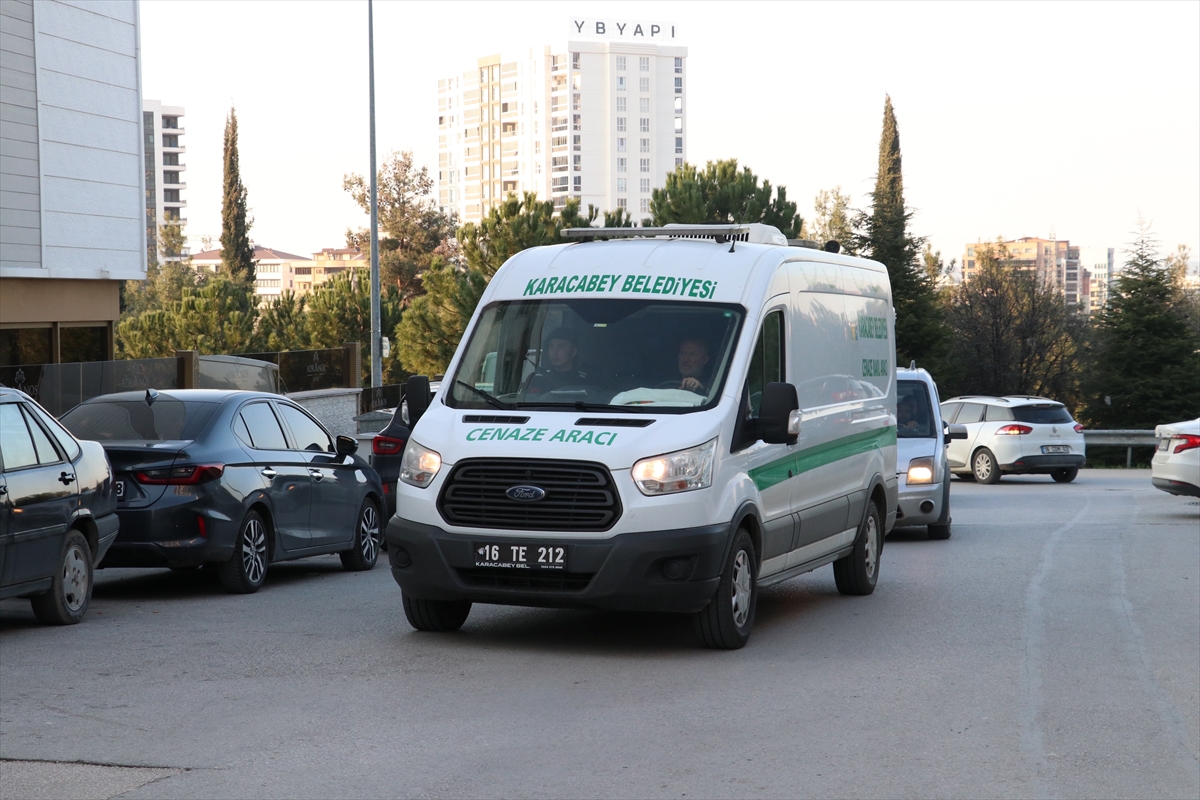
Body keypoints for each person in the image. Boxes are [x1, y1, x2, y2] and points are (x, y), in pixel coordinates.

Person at [524, 328, 588, 395]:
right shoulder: (537, 379)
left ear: (573, 352)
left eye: (561, 347)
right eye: (551, 347)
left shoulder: (585, 380)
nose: (554, 352)